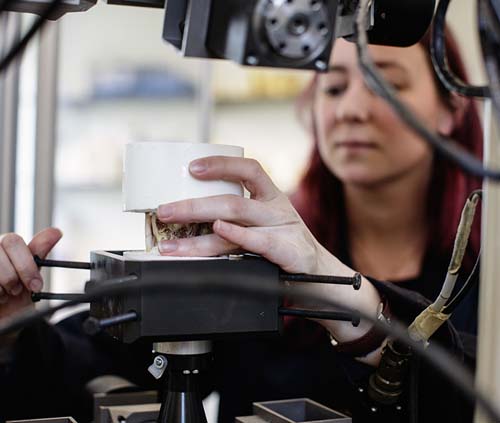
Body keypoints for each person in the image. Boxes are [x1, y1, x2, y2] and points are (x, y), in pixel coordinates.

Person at [0, 26, 482, 423]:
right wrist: (13, 329)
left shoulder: (484, 280)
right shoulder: (258, 259)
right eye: (334, 87)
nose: (352, 110)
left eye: (388, 84)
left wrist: (339, 295)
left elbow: (460, 401)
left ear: (452, 109)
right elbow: (86, 367)